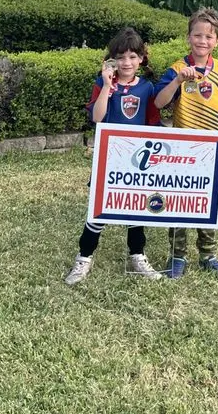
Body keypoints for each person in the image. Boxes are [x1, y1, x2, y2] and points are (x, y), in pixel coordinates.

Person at [65, 27, 162, 285]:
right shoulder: (103, 84)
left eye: (132, 56)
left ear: (141, 58)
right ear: (111, 60)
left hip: (138, 159)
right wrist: (108, 86)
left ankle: (137, 255)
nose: (126, 62)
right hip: (109, 157)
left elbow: (153, 124)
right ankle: (84, 257)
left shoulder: (147, 88)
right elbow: (97, 117)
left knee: (136, 209)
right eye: (120, 57)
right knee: (99, 209)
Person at [154, 7, 218, 278]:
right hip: (183, 148)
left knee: (207, 201)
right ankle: (177, 256)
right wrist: (178, 81)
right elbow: (159, 102)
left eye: (208, 37)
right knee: (179, 201)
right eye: (197, 35)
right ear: (188, 37)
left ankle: (207, 254)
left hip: (212, 147)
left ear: (217, 41)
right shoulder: (178, 69)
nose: (202, 41)